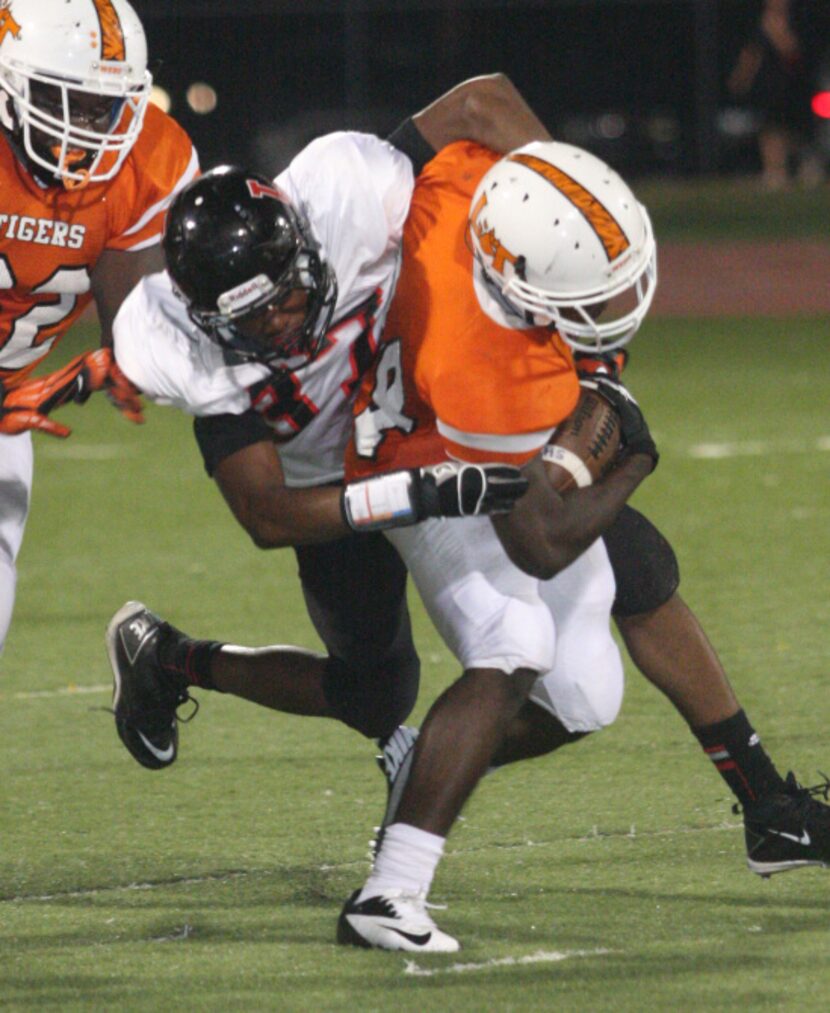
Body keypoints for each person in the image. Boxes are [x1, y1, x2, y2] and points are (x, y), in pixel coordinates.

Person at [104, 74, 548, 771]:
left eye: (288, 291)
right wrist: (413, 494)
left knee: (567, 555)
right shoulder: (178, 345)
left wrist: (576, 197)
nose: (284, 318)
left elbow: (477, 102)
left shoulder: (343, 190)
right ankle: (167, 658)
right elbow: (266, 515)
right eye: (255, 316)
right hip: (328, 497)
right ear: (208, 319)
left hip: (417, 424)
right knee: (375, 695)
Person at [337, 138, 660, 952]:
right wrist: (632, 460)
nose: (610, 304)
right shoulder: (478, 366)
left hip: (462, 432)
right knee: (516, 639)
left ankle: (425, 758)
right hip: (419, 466)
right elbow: (541, 545)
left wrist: (562, 177)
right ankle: (389, 892)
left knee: (587, 695)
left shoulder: (469, 180)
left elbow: (477, 98)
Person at [0, 0, 198, 654]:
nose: (86, 126)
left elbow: (135, 329)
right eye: (65, 98)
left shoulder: (147, 160)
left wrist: (125, 363)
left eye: (102, 105)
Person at [727, 0, 823, 189]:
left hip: (794, 86)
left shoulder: (799, 21)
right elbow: (752, 53)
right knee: (770, 129)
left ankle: (805, 168)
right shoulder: (762, 23)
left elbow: (793, 51)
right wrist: (741, 77)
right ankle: (774, 173)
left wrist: (778, 33)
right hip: (771, 86)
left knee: (794, 130)